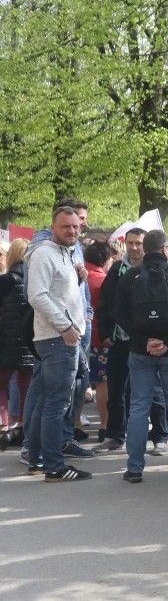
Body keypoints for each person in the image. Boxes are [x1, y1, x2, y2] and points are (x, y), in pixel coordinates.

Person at [113, 230, 168, 483]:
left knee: (139, 407)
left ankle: (135, 468)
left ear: (145, 248)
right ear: (165, 249)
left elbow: (120, 316)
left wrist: (145, 341)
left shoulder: (129, 278)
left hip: (140, 351)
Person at [24, 206, 91, 481]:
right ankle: (54, 466)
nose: (73, 231)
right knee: (56, 404)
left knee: (45, 402)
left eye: (76, 226)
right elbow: (37, 296)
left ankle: (39, 460)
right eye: (66, 226)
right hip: (57, 340)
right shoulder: (44, 253)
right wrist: (66, 327)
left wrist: (77, 278)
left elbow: (56, 293)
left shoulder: (64, 253)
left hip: (58, 338)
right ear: (53, 227)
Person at [95, 228, 168, 454]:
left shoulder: (158, 269)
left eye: (139, 243)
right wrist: (106, 332)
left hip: (147, 340)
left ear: (146, 245)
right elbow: (105, 303)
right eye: (130, 243)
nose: (134, 247)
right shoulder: (117, 269)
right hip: (121, 339)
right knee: (116, 389)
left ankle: (160, 436)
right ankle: (116, 435)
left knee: (154, 390)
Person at [0, 238, 33, 451]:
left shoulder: (5, 280)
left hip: (5, 342)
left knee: (0, 386)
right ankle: (22, 426)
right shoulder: (34, 279)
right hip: (30, 343)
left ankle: (3, 427)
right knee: (26, 388)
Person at [83, 241, 113, 441]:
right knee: (102, 384)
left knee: (80, 384)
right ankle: (105, 425)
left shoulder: (78, 274)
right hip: (100, 338)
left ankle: (76, 425)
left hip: (80, 337)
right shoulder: (103, 280)